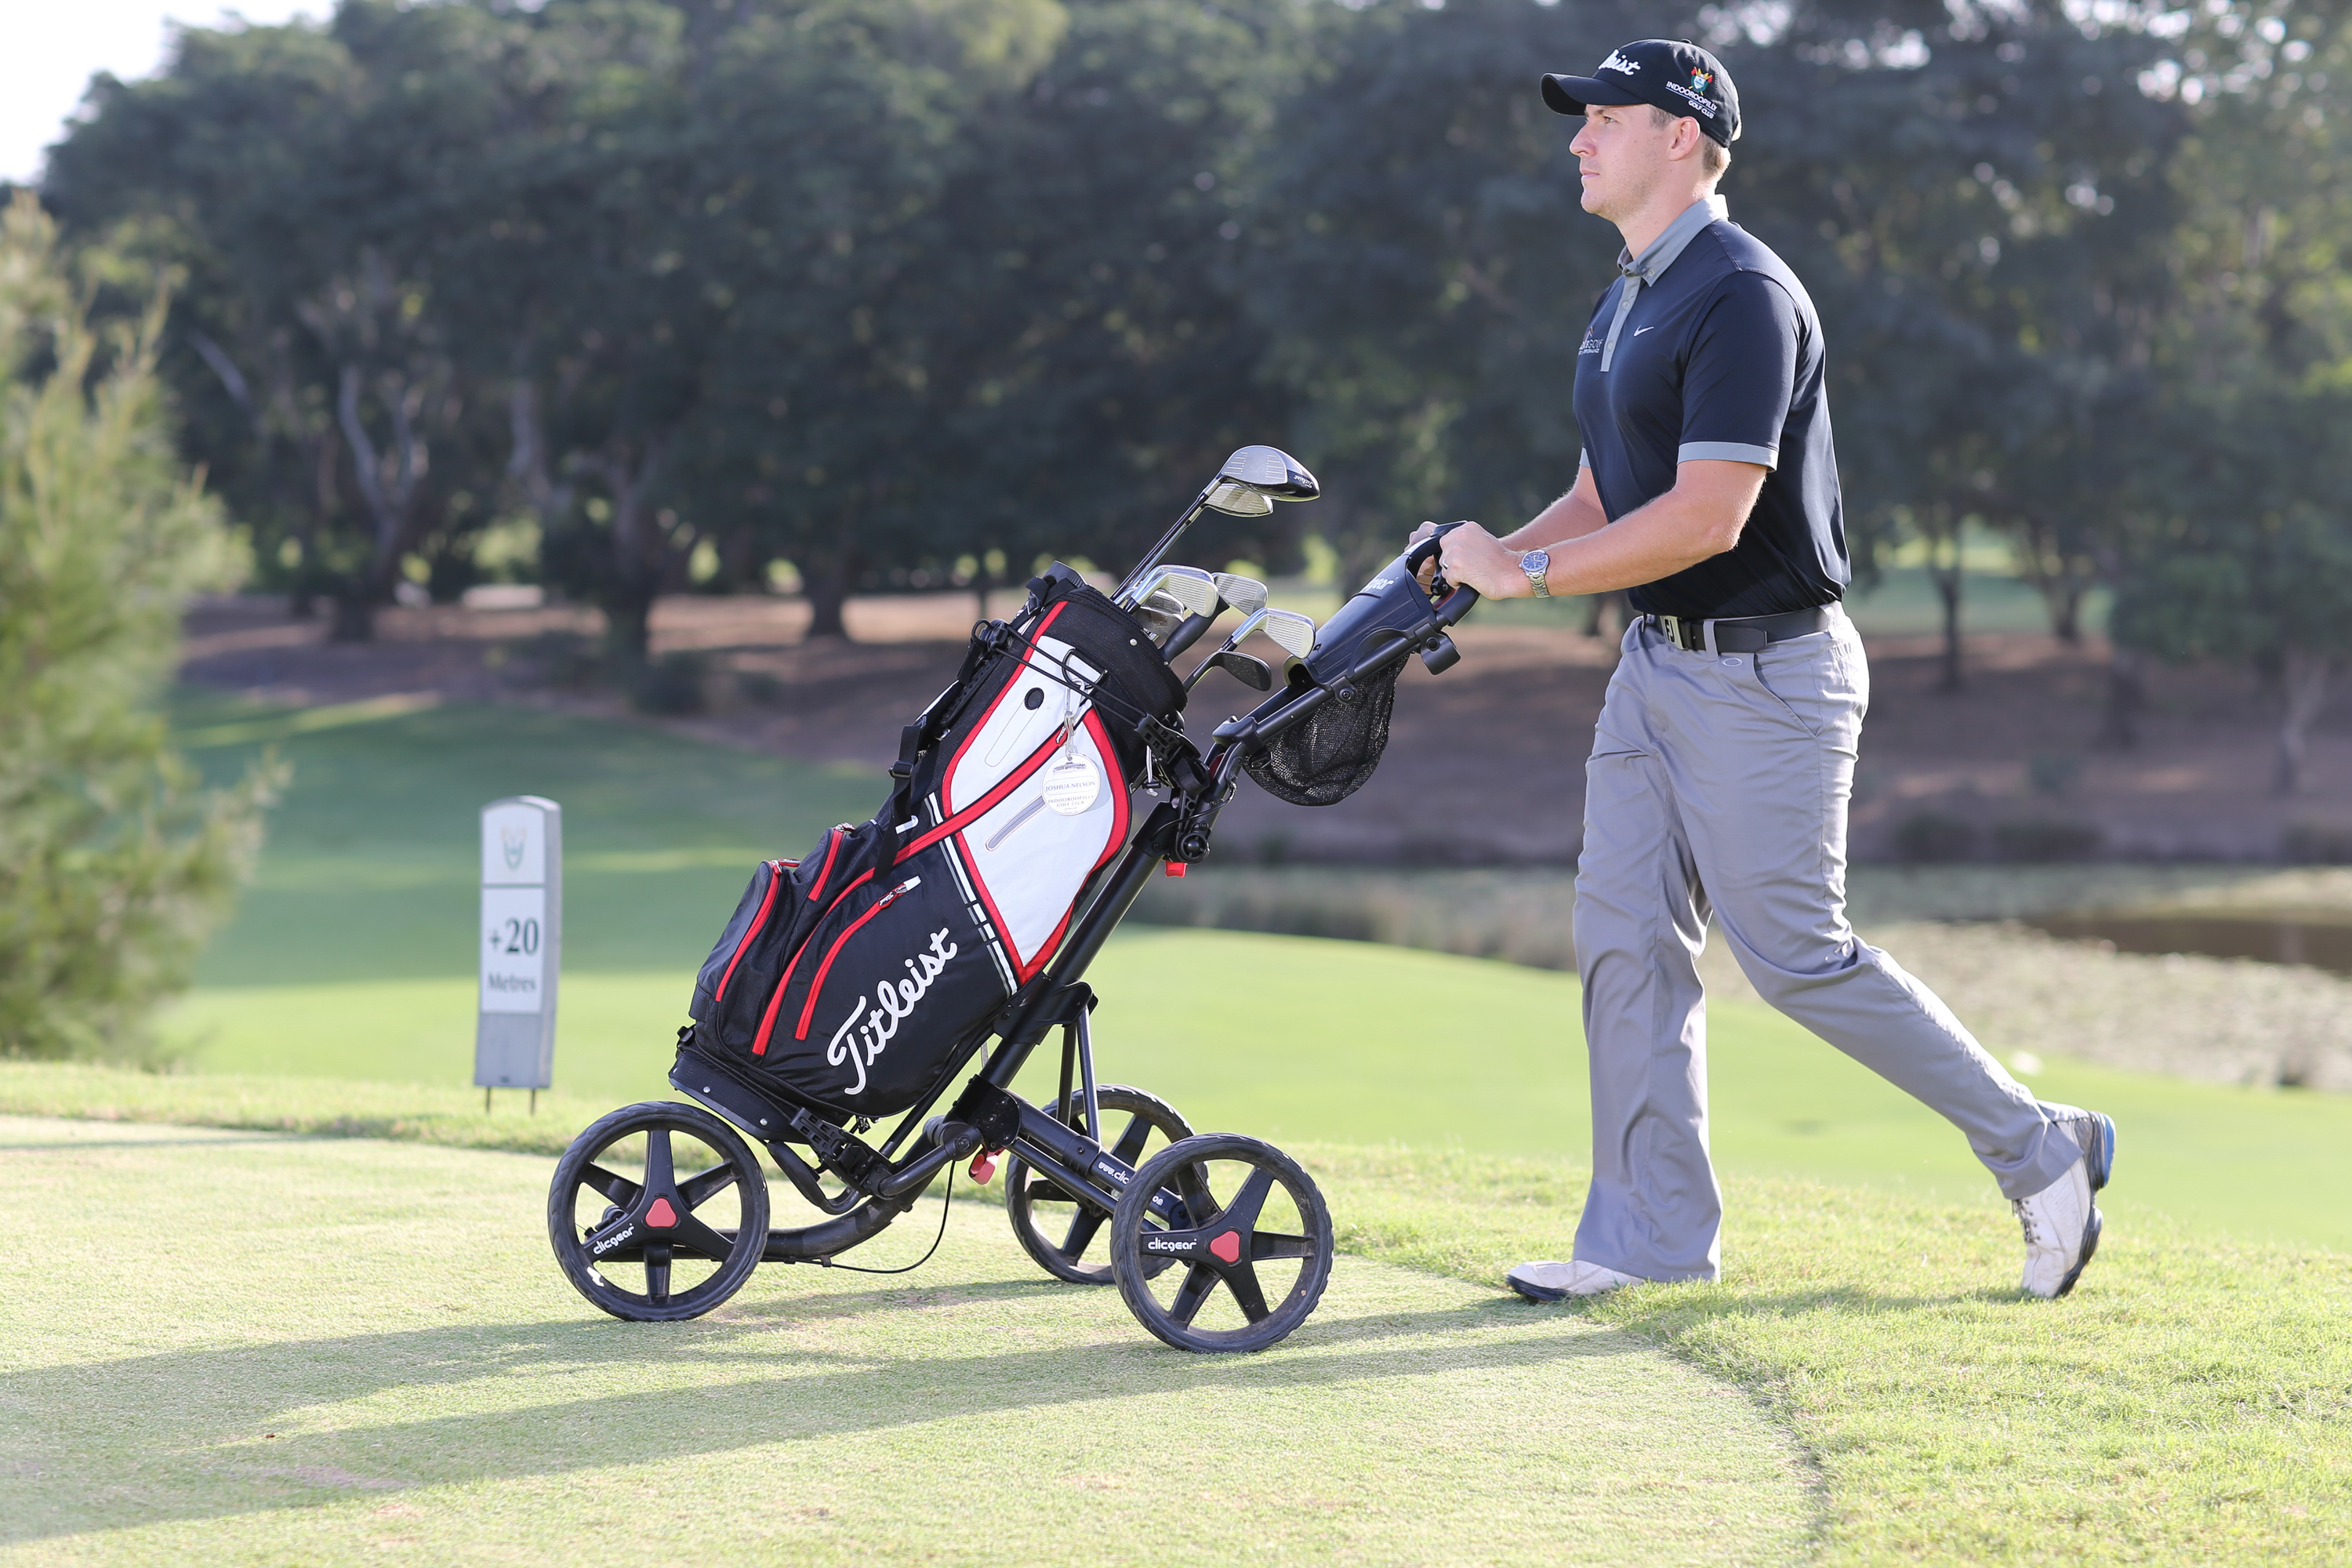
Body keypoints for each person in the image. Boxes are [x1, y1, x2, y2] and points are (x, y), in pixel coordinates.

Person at [1415, 39, 2114, 1301]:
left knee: (1794, 952)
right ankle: (1646, 1247)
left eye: (1605, 119)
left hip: (1770, 675)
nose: (1578, 140)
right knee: (1622, 939)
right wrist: (1482, 559)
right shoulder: (1630, 289)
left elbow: (1705, 518)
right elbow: (1601, 492)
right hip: (1655, 668)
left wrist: (1515, 583)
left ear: (1681, 135)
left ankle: (2037, 1145)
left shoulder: (1742, 293)